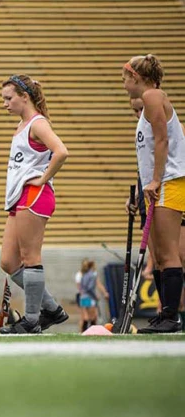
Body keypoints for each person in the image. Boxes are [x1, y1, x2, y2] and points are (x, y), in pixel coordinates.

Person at [0, 75, 70, 334]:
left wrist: (44, 178)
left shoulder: (38, 124)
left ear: (24, 97)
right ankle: (51, 309)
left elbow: (61, 151)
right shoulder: (22, 124)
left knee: (30, 258)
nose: (5, 104)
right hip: (19, 196)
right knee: (8, 262)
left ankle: (30, 321)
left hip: (34, 194)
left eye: (9, 98)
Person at [123, 54, 185, 333]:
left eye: (124, 77)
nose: (123, 84)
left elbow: (163, 140)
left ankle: (172, 317)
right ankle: (166, 313)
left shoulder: (153, 96)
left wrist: (157, 179)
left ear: (136, 77)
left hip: (169, 181)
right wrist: (143, 187)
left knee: (169, 253)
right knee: (158, 256)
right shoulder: (148, 101)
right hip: (157, 185)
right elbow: (148, 153)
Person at [77, 259, 109, 332]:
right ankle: (91, 331)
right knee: (93, 316)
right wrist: (95, 297)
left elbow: (81, 287)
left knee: (85, 316)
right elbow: (90, 288)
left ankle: (83, 332)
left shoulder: (83, 274)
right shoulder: (92, 275)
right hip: (89, 297)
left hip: (83, 297)